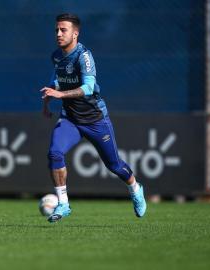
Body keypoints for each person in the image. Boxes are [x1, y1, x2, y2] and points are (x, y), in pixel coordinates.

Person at [40, 13, 147, 223]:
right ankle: (63, 203)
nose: (59, 34)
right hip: (70, 118)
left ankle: (135, 189)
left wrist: (60, 95)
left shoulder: (84, 56)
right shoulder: (56, 56)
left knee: (114, 165)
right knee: (55, 153)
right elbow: (57, 80)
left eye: (64, 30)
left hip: (95, 119)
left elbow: (88, 88)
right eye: (56, 30)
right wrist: (47, 100)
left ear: (75, 34)